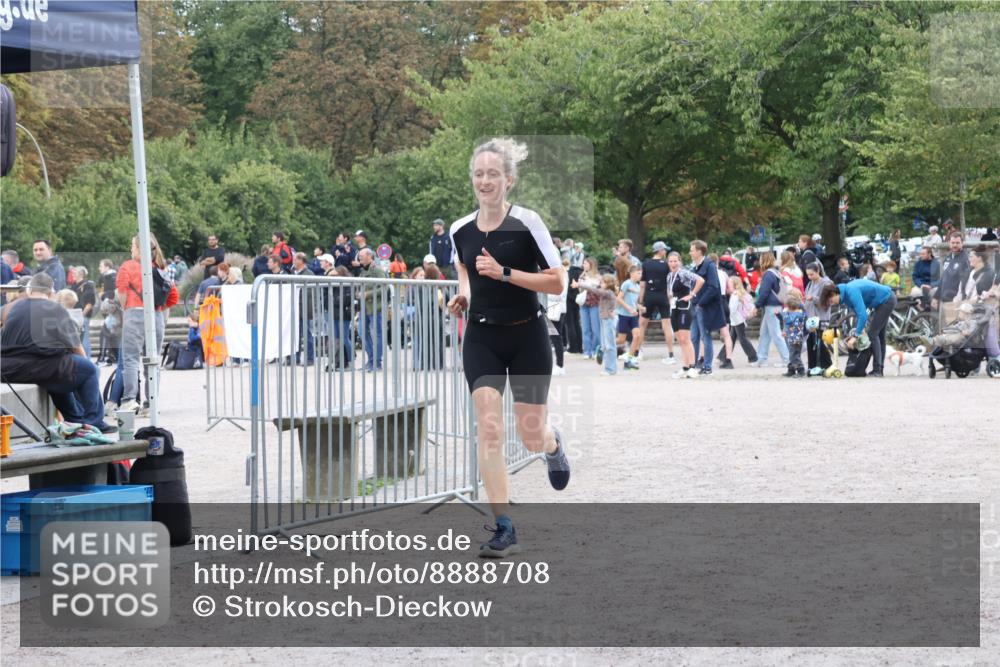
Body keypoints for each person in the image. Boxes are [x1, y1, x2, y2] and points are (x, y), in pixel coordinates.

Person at [446, 137, 568, 558]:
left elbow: (557, 280)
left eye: (493, 174)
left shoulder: (527, 223)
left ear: (509, 180)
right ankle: (503, 525)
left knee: (531, 435)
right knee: (489, 428)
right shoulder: (459, 229)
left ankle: (553, 446)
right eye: (478, 174)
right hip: (481, 337)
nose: (485, 181)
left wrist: (505, 273)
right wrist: (465, 294)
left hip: (527, 334)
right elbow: (464, 269)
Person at [0, 273, 114, 433]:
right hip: (40, 366)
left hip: (7, 369)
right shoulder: (55, 308)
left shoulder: (11, 307)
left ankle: (74, 420)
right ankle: (94, 423)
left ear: (30, 290)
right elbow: (76, 346)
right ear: (50, 293)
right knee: (87, 370)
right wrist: (85, 365)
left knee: (62, 371)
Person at [115, 233, 178, 414]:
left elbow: (122, 292)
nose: (130, 249)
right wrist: (158, 308)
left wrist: (127, 308)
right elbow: (173, 296)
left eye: (132, 246)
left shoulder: (128, 266)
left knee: (131, 359)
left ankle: (129, 399)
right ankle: (151, 404)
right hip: (156, 315)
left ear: (139, 249)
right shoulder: (159, 269)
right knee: (153, 361)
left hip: (134, 314)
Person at [819, 279, 896, 377]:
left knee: (873, 334)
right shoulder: (846, 295)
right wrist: (861, 328)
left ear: (834, 293)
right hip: (883, 302)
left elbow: (863, 315)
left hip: (887, 300)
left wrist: (855, 336)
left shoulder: (851, 291)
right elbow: (857, 312)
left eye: (831, 300)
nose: (832, 303)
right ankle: (879, 370)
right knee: (879, 336)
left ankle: (878, 370)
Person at [628, 241, 676, 367]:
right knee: (667, 325)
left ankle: (638, 352)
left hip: (649, 296)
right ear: (659, 250)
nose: (665, 252)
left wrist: (640, 301)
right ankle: (671, 354)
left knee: (642, 324)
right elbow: (670, 281)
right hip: (663, 296)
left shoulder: (646, 264)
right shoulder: (666, 265)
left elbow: (642, 285)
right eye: (664, 250)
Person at [666, 250, 705, 378]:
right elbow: (670, 291)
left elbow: (700, 280)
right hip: (674, 308)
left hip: (684, 307)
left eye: (675, 261)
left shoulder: (683, 273)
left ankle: (693, 367)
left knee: (686, 339)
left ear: (680, 261)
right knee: (680, 340)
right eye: (671, 261)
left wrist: (691, 295)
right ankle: (685, 367)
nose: (673, 263)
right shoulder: (669, 276)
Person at [688, 240, 724, 376]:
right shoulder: (694, 267)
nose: (690, 253)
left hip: (705, 306)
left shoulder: (709, 266)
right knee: (694, 337)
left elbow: (713, 287)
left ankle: (707, 366)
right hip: (696, 306)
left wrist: (701, 303)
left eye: (692, 250)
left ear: (699, 251)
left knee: (705, 336)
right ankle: (692, 364)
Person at [573, 273, 619, 375]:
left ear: (608, 284)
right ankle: (610, 368)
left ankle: (611, 369)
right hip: (605, 319)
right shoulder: (607, 292)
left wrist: (580, 284)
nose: (600, 284)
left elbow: (594, 290)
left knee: (609, 345)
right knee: (605, 345)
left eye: (602, 282)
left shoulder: (608, 293)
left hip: (608, 320)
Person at [752, 252, 790, 367]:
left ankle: (787, 359)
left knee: (776, 334)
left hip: (771, 307)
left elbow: (764, 293)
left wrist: (756, 306)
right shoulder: (776, 272)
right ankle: (762, 358)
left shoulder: (768, 274)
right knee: (764, 333)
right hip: (775, 306)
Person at [357, 247, 386, 371]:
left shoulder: (377, 270)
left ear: (369, 256)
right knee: (361, 331)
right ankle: (371, 359)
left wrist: (367, 294)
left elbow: (384, 287)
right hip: (365, 307)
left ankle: (377, 362)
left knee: (377, 334)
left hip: (376, 307)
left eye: (361, 257)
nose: (359, 259)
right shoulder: (363, 271)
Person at [803, 262, 834, 372]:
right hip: (810, 318)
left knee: (820, 342)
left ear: (818, 271)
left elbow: (829, 301)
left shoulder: (826, 283)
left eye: (812, 274)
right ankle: (812, 367)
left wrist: (814, 298)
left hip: (821, 317)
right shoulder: (810, 283)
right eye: (808, 275)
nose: (810, 277)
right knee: (811, 342)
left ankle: (827, 365)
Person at [727, 276, 758, 365]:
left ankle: (753, 357)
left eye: (730, 283)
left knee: (742, 339)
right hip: (737, 320)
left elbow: (732, 310)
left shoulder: (735, 295)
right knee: (731, 339)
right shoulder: (737, 294)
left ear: (735, 284)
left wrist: (728, 318)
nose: (728, 285)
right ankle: (724, 357)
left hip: (737, 320)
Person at [616, 264, 642, 365]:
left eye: (641, 273)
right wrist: (628, 308)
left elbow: (634, 302)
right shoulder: (626, 284)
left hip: (634, 315)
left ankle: (630, 358)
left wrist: (639, 307)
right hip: (624, 315)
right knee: (621, 339)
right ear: (632, 274)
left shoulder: (638, 287)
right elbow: (619, 298)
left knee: (637, 336)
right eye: (638, 273)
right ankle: (604, 345)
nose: (640, 275)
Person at [577, 257, 602, 359]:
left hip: (595, 304)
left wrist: (588, 283)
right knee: (585, 328)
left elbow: (598, 290)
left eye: (586, 263)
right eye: (583, 263)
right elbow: (579, 290)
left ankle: (596, 349)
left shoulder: (598, 276)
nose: (584, 265)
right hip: (584, 304)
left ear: (591, 264)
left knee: (596, 329)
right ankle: (587, 351)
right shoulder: (582, 276)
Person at [69, 266, 97, 359]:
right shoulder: (74, 286)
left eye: (74, 272)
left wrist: (82, 315)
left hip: (82, 316)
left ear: (80, 274)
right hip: (73, 315)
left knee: (84, 340)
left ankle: (87, 360)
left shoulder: (87, 285)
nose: (73, 274)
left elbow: (90, 303)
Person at [782, 289, 807, 377]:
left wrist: (781, 315)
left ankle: (800, 370)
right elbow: (786, 323)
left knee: (794, 353)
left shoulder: (798, 312)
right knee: (791, 352)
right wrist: (784, 330)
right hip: (789, 334)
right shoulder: (791, 309)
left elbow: (788, 321)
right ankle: (791, 369)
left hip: (795, 336)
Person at [910, 246, 941, 310]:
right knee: (914, 292)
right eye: (920, 254)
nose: (921, 255)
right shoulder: (918, 263)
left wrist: (931, 285)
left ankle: (934, 314)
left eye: (923, 254)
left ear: (929, 254)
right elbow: (915, 277)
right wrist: (921, 285)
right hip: (921, 285)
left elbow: (940, 278)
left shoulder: (937, 264)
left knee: (936, 292)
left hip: (933, 285)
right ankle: (921, 313)